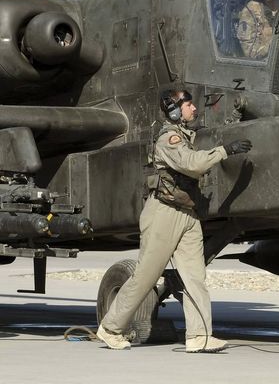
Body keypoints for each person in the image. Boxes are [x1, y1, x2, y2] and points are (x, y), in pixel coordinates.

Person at [96, 89, 252, 352]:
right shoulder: (169, 139)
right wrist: (225, 150)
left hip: (187, 215)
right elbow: (192, 164)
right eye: (188, 104)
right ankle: (111, 328)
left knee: (194, 276)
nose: (193, 108)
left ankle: (198, 336)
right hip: (163, 213)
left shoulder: (186, 136)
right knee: (145, 276)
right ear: (175, 110)